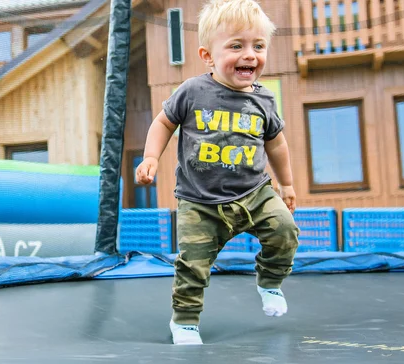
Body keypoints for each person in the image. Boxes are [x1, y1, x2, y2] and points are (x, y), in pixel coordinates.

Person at [135, 0, 300, 345]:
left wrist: (285, 184)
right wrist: (151, 157)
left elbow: (277, 145)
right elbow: (164, 123)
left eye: (258, 46)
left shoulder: (264, 101)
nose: (250, 55)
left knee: (285, 230)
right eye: (236, 46)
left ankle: (269, 280)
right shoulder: (193, 91)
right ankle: (185, 322)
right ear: (208, 56)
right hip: (200, 202)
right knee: (192, 266)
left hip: (254, 194)